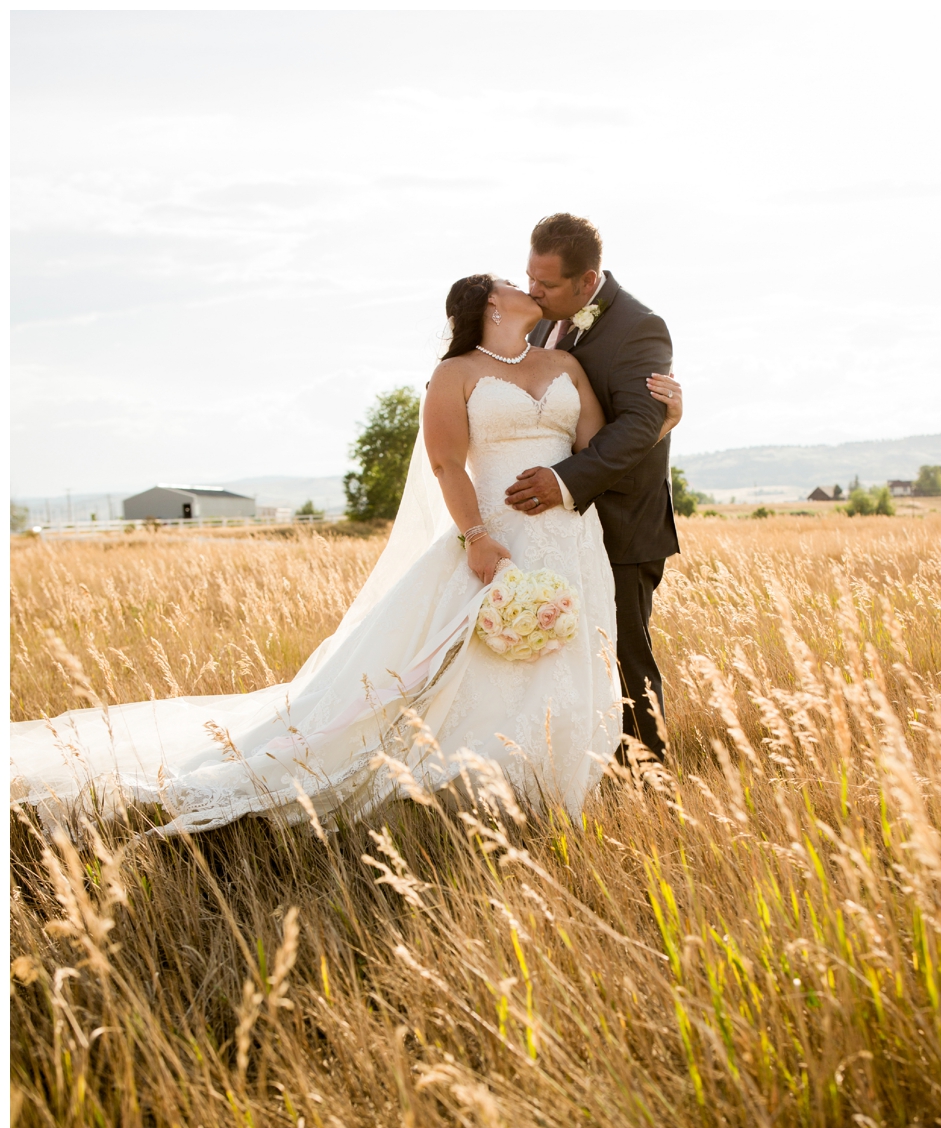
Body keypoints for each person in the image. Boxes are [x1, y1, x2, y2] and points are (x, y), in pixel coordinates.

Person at [10, 273, 684, 837]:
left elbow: (597, 446)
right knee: (464, 667)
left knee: (568, 658)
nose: (525, 284)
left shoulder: (564, 362)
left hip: (569, 536)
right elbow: (449, 465)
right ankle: (474, 783)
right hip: (496, 533)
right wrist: (478, 540)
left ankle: (557, 782)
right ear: (489, 305)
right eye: (513, 283)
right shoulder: (455, 373)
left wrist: (666, 420)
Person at [504, 213, 682, 766]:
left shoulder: (640, 327)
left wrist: (563, 482)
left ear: (587, 281)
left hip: (623, 525)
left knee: (625, 656)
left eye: (548, 284)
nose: (533, 292)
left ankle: (650, 784)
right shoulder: (535, 323)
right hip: (554, 531)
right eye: (530, 278)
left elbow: (637, 425)